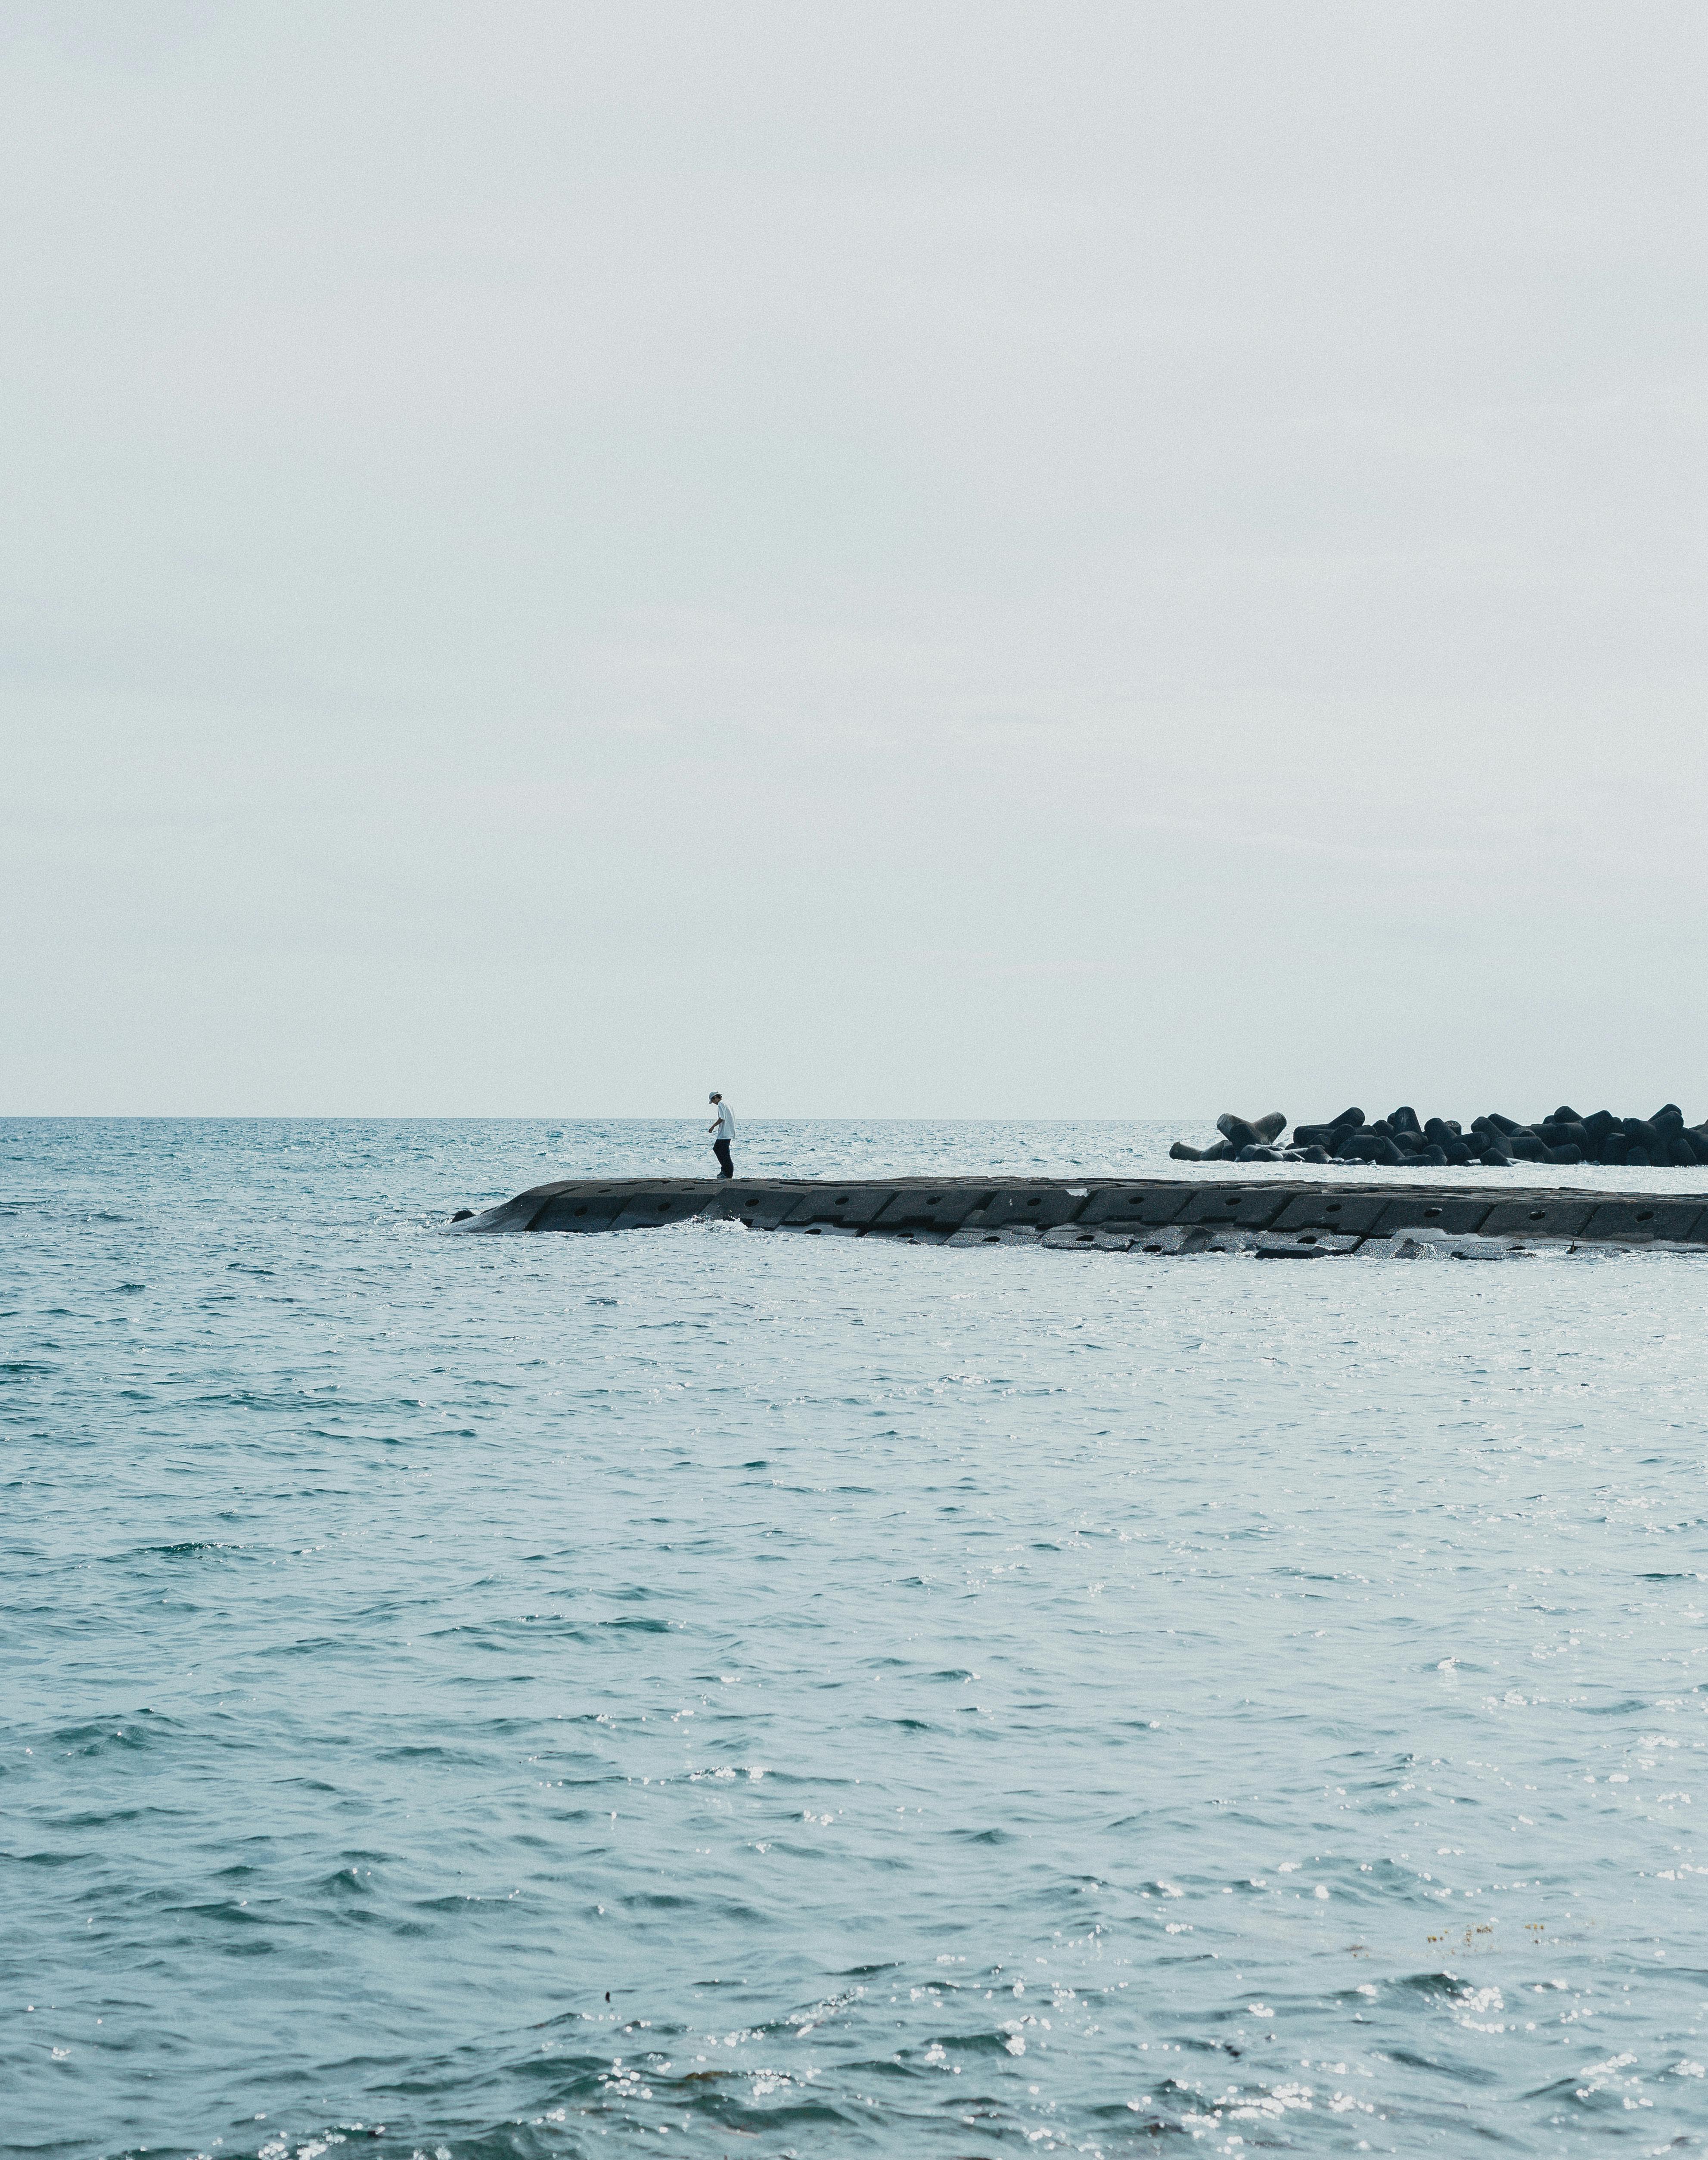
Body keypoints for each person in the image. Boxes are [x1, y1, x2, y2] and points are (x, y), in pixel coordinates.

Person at [708, 1092, 735, 1178]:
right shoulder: (728, 1103)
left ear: (715, 1097)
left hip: (725, 1133)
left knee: (720, 1151)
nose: (714, 1103)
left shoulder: (721, 1104)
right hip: (729, 1131)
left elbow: (722, 1118)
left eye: (713, 1101)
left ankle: (727, 1173)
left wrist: (713, 1127)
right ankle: (725, 1170)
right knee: (722, 1151)